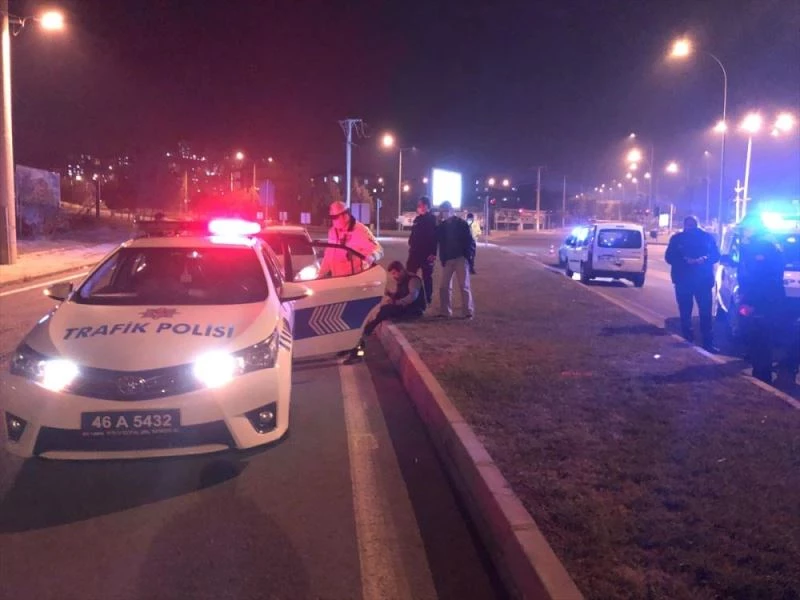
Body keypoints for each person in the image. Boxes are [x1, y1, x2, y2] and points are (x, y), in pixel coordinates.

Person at [736, 217, 797, 383]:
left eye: (746, 228)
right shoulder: (769, 242)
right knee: (764, 336)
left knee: (760, 336)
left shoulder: (761, 245)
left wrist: (750, 300)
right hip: (769, 298)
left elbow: (759, 277)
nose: (744, 231)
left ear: (753, 227)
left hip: (762, 299)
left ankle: (762, 375)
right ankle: (767, 370)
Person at [665, 215, 720, 351]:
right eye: (688, 224)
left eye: (692, 224)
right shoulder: (677, 239)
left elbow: (715, 255)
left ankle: (707, 342)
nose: (690, 227)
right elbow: (669, 257)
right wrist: (685, 260)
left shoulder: (707, 238)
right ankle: (688, 339)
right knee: (685, 312)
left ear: (697, 224)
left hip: (702, 281)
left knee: (705, 313)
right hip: (683, 281)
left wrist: (704, 259)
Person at [318, 201, 383, 278]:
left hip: (354, 279)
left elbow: (378, 249)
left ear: (345, 215)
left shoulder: (360, 230)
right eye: (331, 217)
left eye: (335, 217)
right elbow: (328, 256)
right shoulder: (333, 232)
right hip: (337, 279)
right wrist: (320, 275)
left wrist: (372, 256)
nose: (333, 220)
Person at [362, 261, 427, 337]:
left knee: (386, 309)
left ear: (401, 271)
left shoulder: (413, 279)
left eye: (394, 273)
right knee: (384, 308)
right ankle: (369, 328)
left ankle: (370, 327)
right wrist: (390, 294)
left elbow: (412, 296)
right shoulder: (401, 280)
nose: (394, 276)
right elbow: (400, 295)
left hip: (415, 308)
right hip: (406, 306)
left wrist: (396, 302)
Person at [436, 201, 475, 319]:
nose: (444, 213)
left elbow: (469, 241)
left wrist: (468, 256)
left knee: (464, 285)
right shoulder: (442, 226)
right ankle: (445, 311)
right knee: (444, 286)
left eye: (445, 211)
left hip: (460, 258)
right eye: (442, 211)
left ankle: (468, 311)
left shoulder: (461, 224)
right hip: (448, 259)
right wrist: (438, 222)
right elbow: (438, 239)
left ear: (451, 211)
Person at [407, 196, 438, 305]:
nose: (418, 207)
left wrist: (433, 253)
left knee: (427, 278)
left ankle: (427, 299)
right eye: (418, 205)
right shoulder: (417, 219)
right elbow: (413, 234)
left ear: (426, 206)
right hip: (414, 253)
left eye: (420, 205)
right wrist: (411, 242)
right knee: (410, 275)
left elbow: (434, 238)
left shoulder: (432, 219)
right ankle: (410, 297)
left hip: (426, 254)